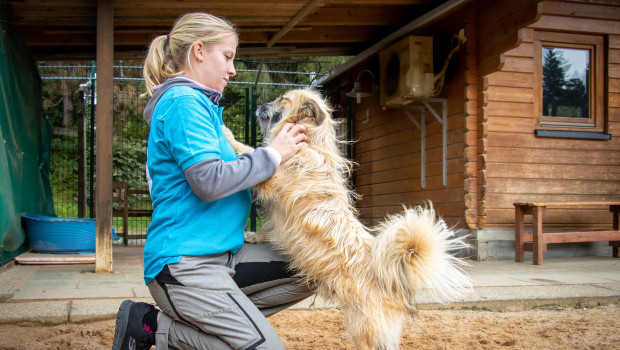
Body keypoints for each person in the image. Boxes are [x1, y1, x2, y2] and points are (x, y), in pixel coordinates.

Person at [112, 12, 314, 350]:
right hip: (186, 265)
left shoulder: (202, 108)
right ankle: (150, 325)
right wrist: (273, 154)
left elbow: (234, 176)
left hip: (226, 257)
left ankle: (231, 322)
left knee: (314, 268)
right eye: (228, 56)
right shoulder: (182, 103)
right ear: (199, 51)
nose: (233, 69)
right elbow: (208, 182)